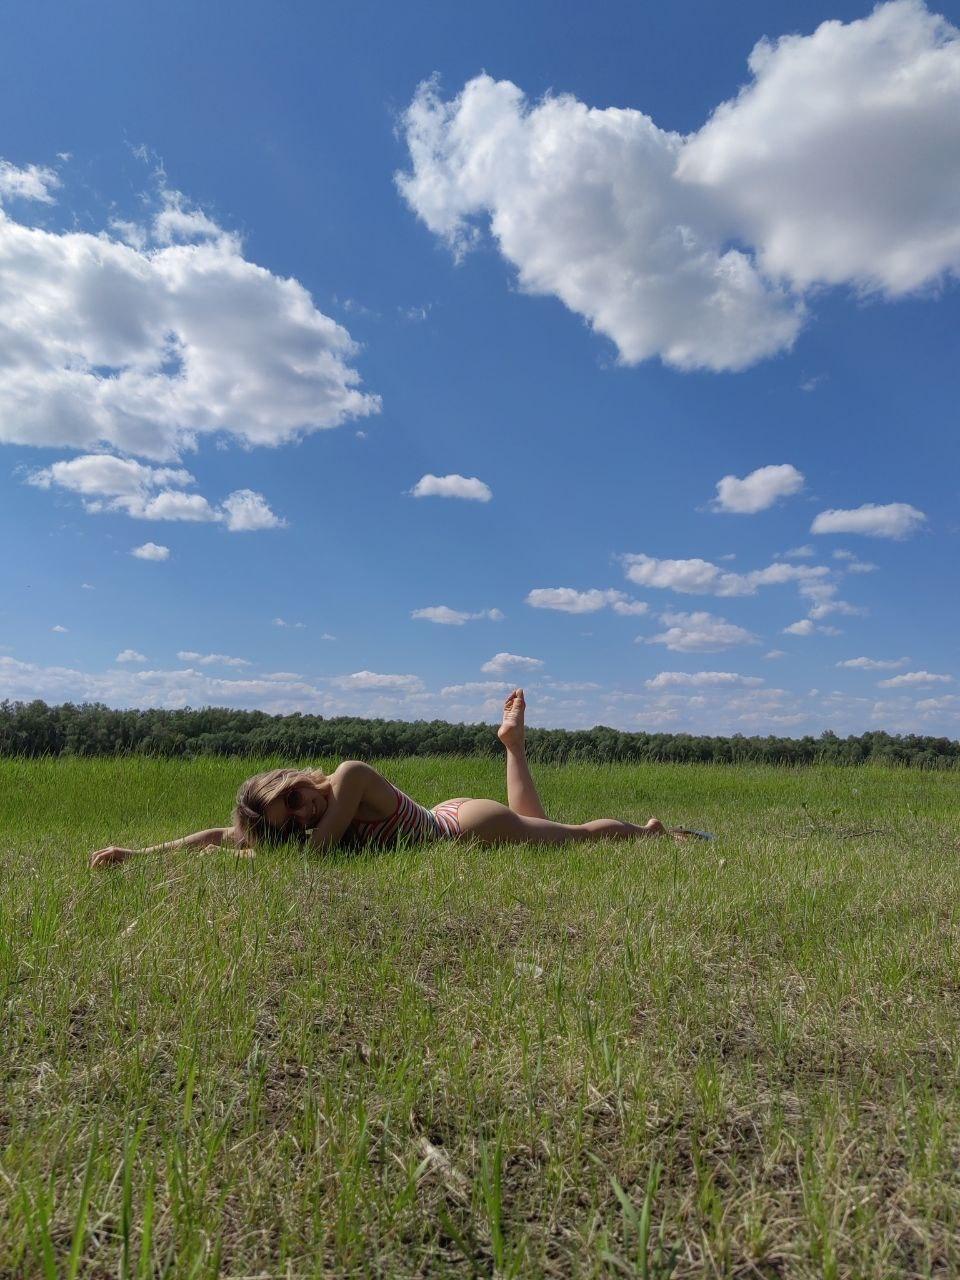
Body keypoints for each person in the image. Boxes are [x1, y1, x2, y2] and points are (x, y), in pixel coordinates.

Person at [90, 690, 696, 867]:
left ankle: (652, 835)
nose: (302, 814)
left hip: (464, 828)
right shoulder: (308, 821)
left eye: (293, 799)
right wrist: (138, 855)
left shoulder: (348, 775)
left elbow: (314, 855)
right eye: (289, 822)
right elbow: (217, 837)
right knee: (542, 824)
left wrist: (253, 858)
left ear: (294, 779)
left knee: (573, 837)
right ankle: (514, 747)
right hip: (446, 815)